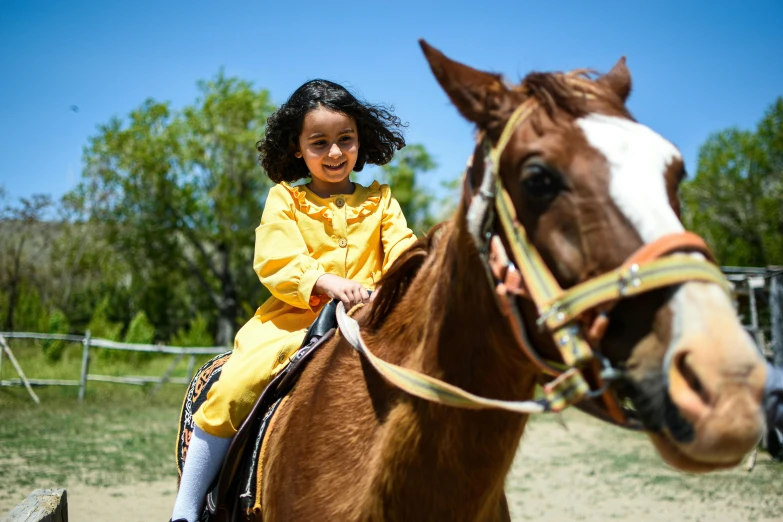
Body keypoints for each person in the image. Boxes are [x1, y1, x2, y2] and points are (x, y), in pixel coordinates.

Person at [170, 79, 418, 522]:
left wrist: (400, 283)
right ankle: (187, 509)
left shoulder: (381, 201)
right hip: (293, 320)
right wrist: (325, 281)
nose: (335, 153)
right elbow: (275, 258)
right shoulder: (285, 200)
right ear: (298, 148)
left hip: (370, 318)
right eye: (319, 143)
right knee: (235, 385)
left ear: (360, 139)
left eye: (345, 140)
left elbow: (402, 249)